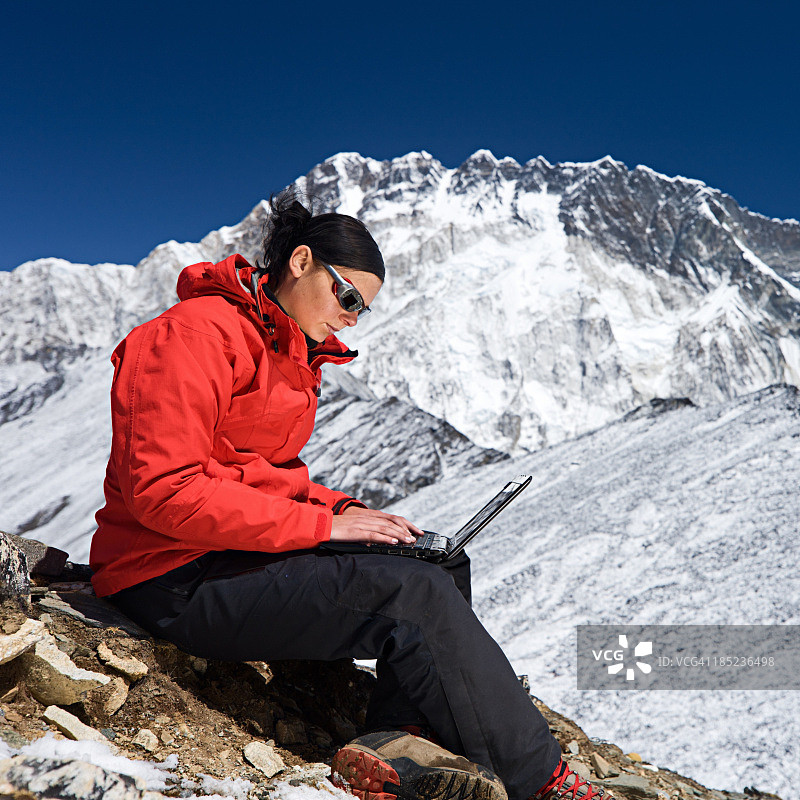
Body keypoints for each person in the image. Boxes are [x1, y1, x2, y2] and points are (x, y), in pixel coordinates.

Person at [90, 190, 613, 800]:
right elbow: (164, 491)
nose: (353, 318)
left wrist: (340, 509)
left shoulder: (288, 352)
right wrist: (323, 528)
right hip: (167, 576)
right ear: (301, 262)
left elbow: (260, 475)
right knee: (412, 595)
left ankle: (402, 738)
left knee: (436, 562)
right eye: (349, 299)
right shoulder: (190, 336)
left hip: (227, 553)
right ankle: (545, 783)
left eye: (363, 309)